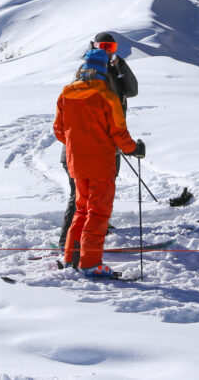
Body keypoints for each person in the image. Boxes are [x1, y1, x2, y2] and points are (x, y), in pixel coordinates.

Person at [53, 41, 145, 277]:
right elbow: (118, 132)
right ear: (104, 69)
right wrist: (134, 148)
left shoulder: (66, 93)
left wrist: (78, 143)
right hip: (101, 163)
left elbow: (59, 130)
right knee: (98, 212)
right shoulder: (107, 96)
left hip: (76, 163)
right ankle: (90, 263)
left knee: (81, 211)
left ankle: (71, 259)